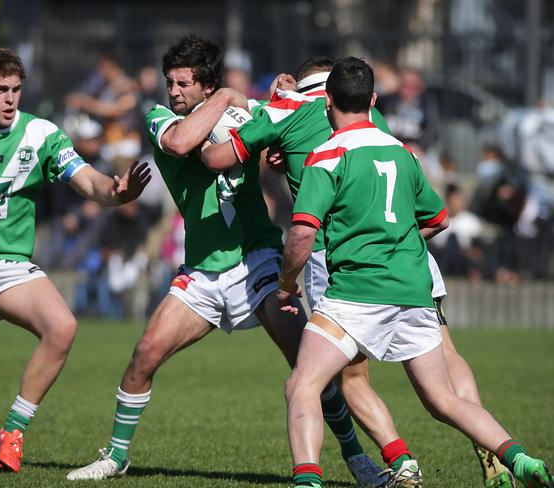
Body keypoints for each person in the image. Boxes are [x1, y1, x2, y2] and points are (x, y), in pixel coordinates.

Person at [66, 36, 380, 487]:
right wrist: (233, 98)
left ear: (205, 84)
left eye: (183, 84)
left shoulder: (244, 111)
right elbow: (181, 143)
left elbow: (282, 126)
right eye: (169, 82)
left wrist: (275, 116)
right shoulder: (159, 119)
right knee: (145, 354)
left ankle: (357, 459)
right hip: (204, 268)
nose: (172, 91)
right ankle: (115, 455)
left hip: (259, 260)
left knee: (307, 366)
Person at [202, 56, 517, 488]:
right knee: (445, 358)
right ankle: (495, 452)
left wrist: (267, 113)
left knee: (342, 374)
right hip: (409, 252)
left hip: (344, 257)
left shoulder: (286, 110)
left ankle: (398, 462)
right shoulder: (377, 119)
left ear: (326, 94)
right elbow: (435, 215)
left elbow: (220, 155)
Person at [276, 56, 553, 488]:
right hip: (413, 288)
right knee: (443, 399)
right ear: (372, 99)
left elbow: (301, 234)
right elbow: (439, 218)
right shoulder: (401, 152)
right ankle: (520, 459)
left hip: (357, 292)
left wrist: (286, 284)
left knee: (303, 384)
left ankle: (308, 480)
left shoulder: (326, 156)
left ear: (327, 101)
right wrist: (397, 238)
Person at [0, 45, 151, 473]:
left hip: (11, 266)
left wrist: (117, 192)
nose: (11, 98)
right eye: (1, 89)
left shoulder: (42, 135)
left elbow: (90, 183)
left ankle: (13, 432)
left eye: (17, 89)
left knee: (63, 328)